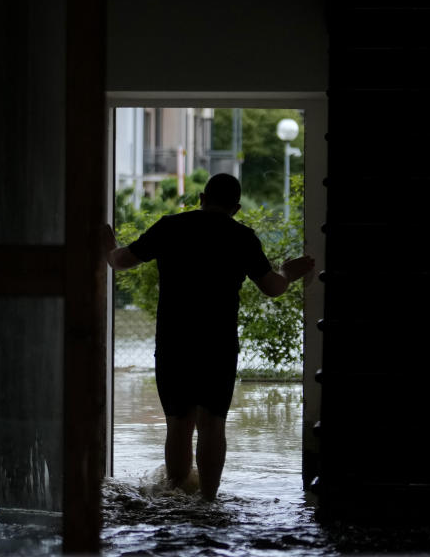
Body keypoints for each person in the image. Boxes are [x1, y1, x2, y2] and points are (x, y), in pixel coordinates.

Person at [103, 173, 314, 500]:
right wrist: (289, 271)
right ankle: (209, 501)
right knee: (212, 423)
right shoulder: (242, 237)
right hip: (218, 343)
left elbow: (120, 262)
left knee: (178, 422)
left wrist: (108, 243)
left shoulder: (170, 226)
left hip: (174, 341)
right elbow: (273, 286)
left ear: (202, 197)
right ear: (237, 206)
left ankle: (175, 496)